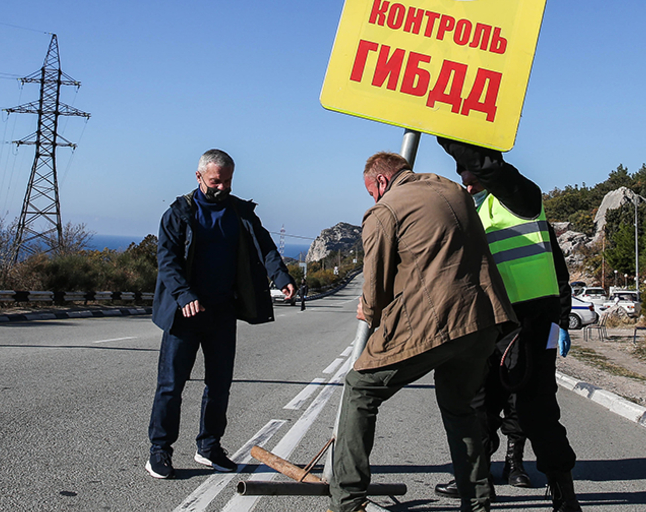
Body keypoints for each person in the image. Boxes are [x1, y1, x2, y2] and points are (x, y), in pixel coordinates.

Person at [329, 152, 516, 512]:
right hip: (483, 320)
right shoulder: (452, 189)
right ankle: (477, 504)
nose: (374, 199)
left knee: (359, 390)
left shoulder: (385, 210)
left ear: (381, 182)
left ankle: (348, 501)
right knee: (460, 408)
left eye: (372, 191)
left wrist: (368, 310)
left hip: (434, 321)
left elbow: (376, 282)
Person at [436, 137, 581, 512]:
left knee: (535, 409)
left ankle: (563, 492)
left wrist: (444, 132)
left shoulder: (522, 198)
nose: (463, 179)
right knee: (479, 407)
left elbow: (558, 274)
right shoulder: (474, 211)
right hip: (491, 323)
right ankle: (477, 485)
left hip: (529, 322)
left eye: (466, 170)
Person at [146, 149, 296, 480]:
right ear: (199, 177)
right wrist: (185, 295)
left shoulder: (240, 212)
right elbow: (167, 260)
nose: (223, 187)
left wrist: (282, 277)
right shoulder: (179, 213)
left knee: (219, 385)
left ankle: (209, 447)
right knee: (171, 386)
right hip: (183, 315)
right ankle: (160, 450)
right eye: (216, 181)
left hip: (222, 313)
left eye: (228, 181)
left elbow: (265, 246)